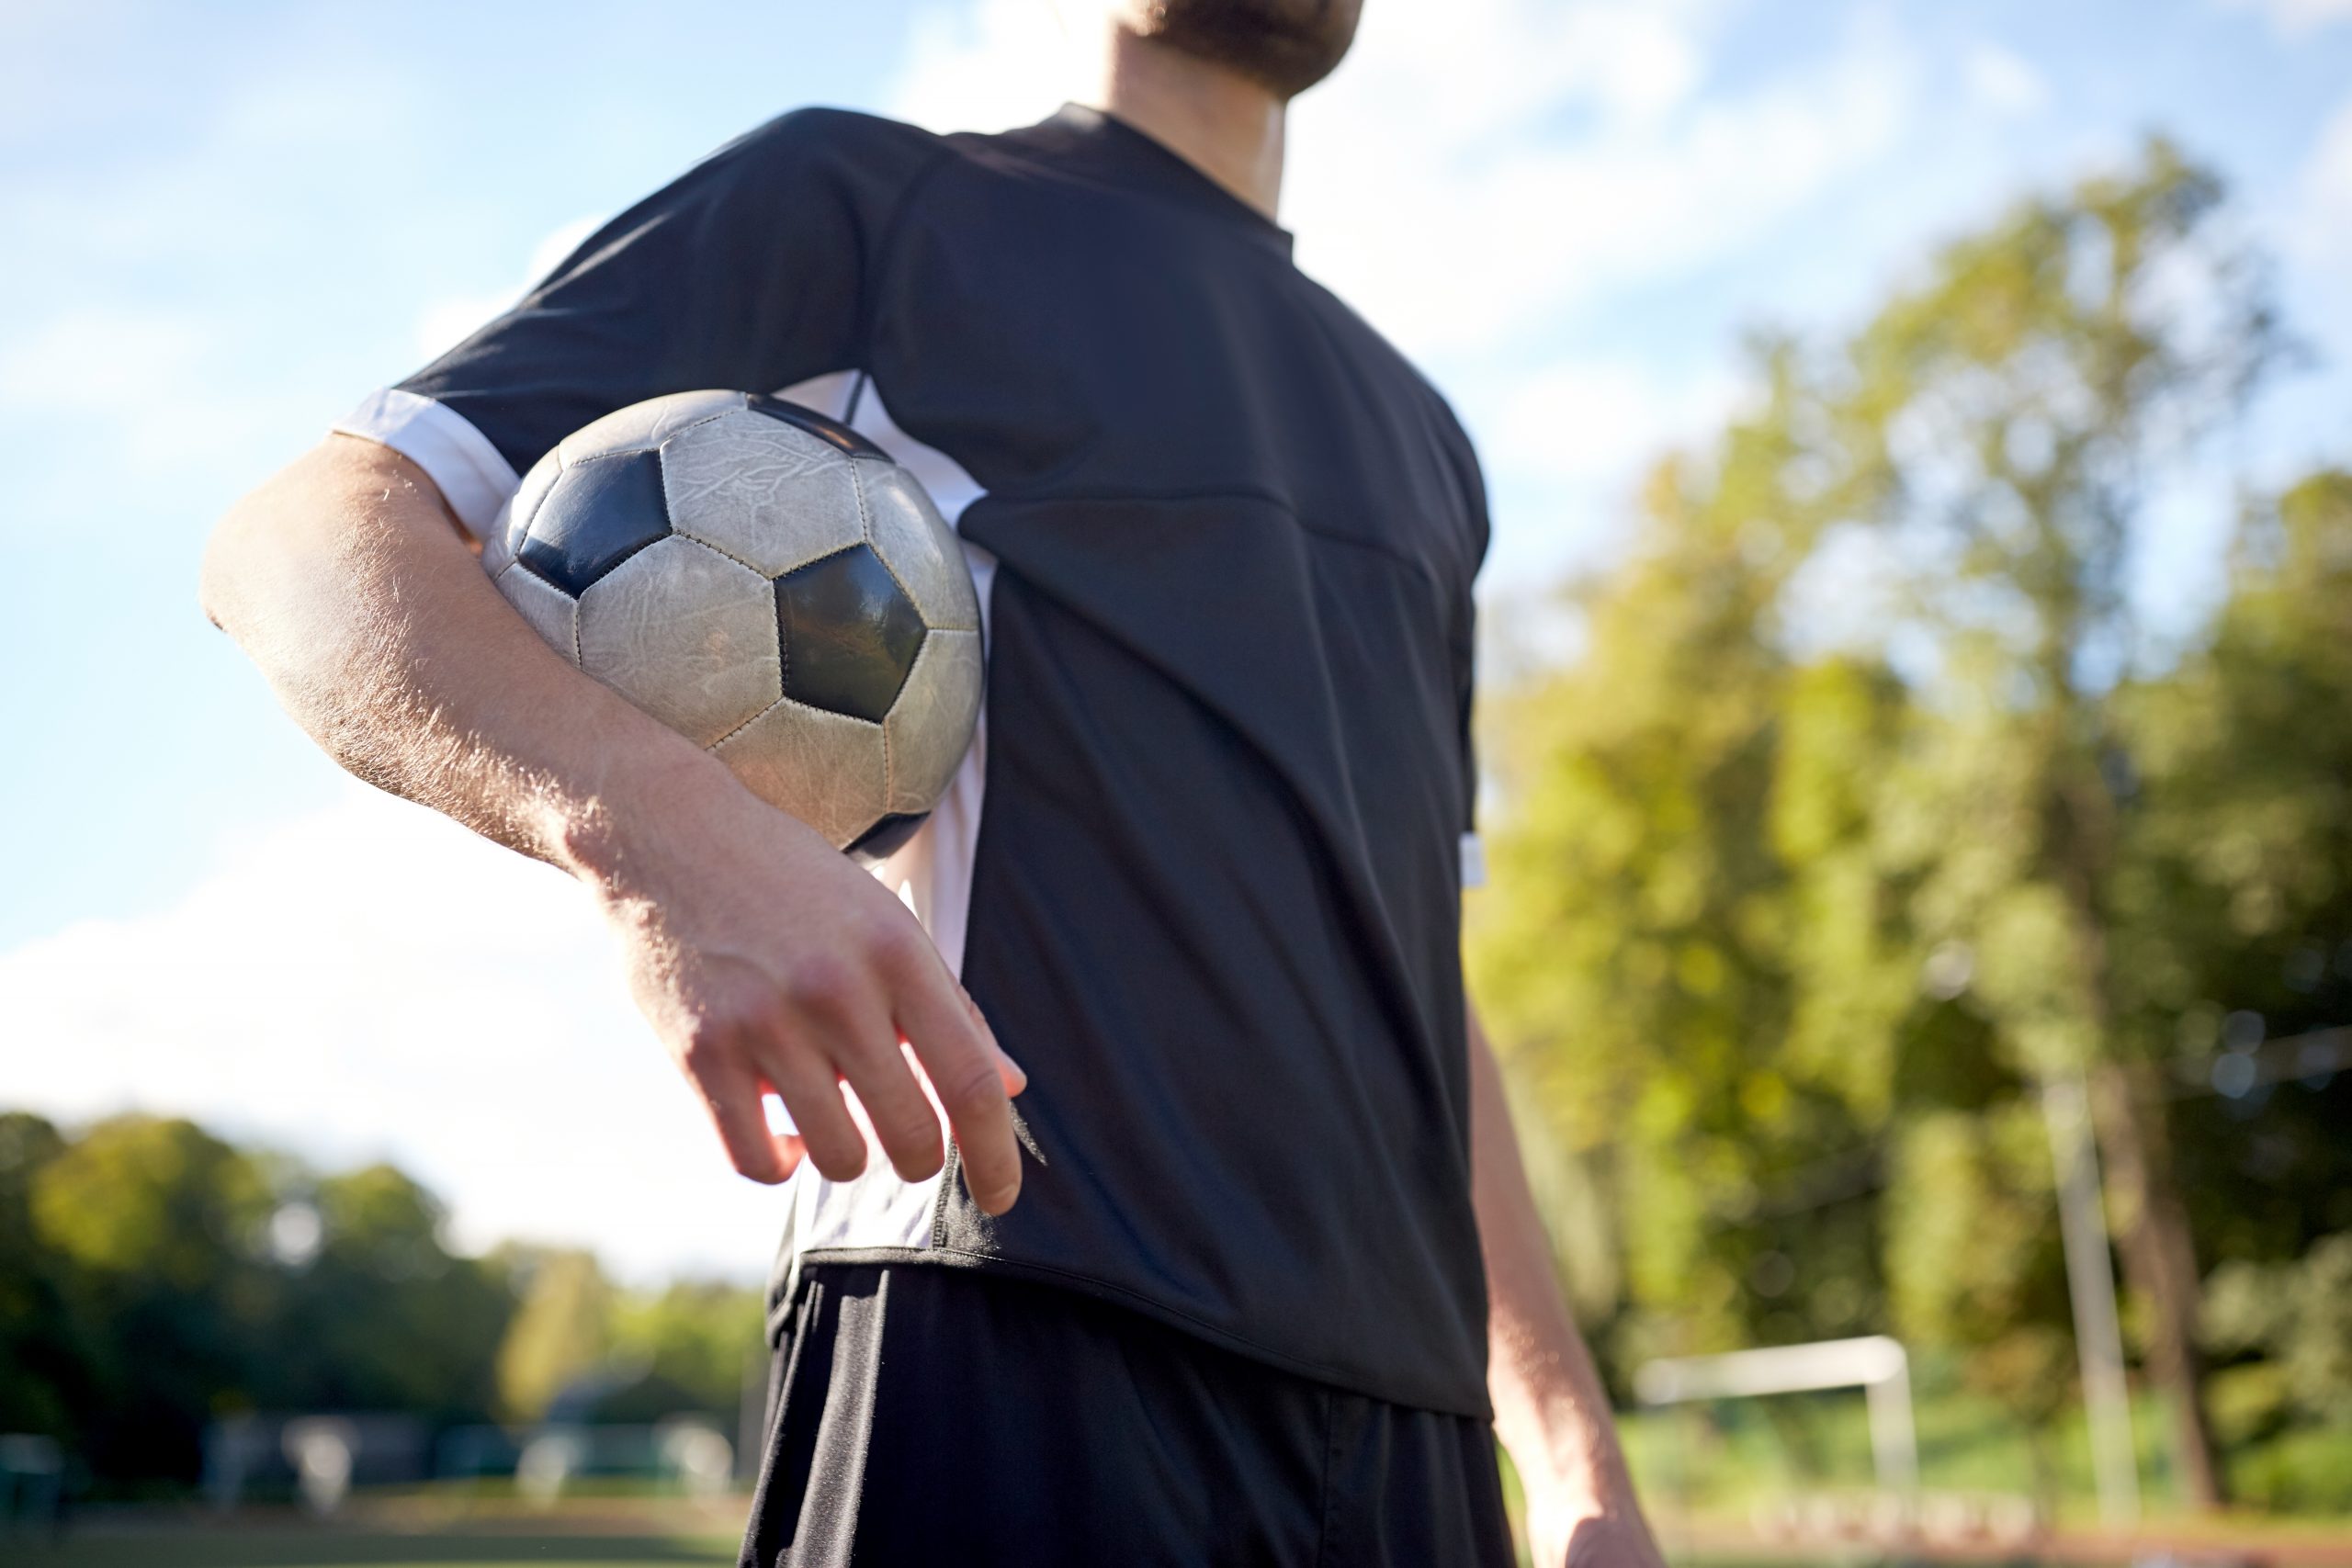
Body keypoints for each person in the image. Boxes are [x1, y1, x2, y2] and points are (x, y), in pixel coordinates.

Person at [201, 2, 1666, 1562]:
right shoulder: (872, 215)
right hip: (1014, 1336)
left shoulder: (1425, 438)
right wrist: (659, 840)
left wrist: (1572, 1451)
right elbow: (297, 542)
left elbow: (1421, 978)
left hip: (1414, 1452)